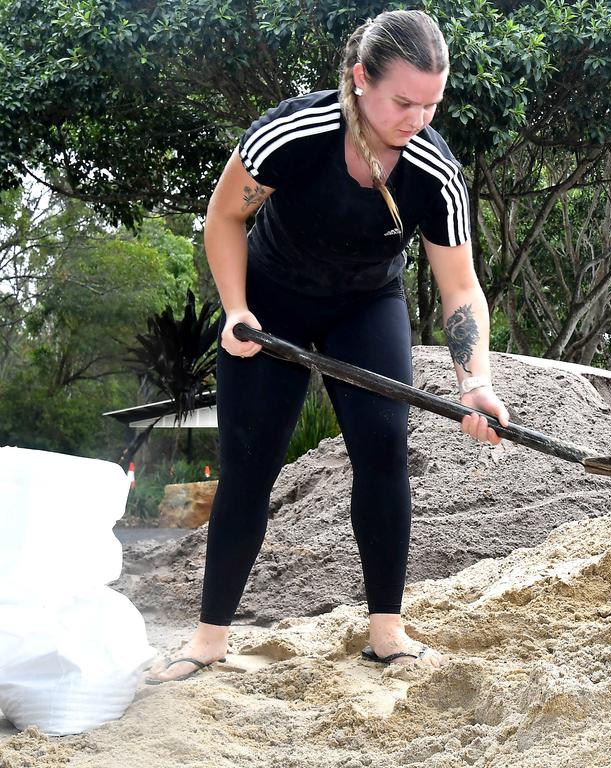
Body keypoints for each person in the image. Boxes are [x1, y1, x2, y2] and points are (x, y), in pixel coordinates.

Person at [146, 10, 509, 683]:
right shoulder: (295, 133)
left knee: (382, 453)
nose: (418, 119)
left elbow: (459, 288)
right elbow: (226, 217)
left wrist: (474, 381)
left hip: (364, 305)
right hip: (270, 301)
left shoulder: (434, 171)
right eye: (403, 102)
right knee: (249, 468)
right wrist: (235, 310)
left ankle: (387, 633)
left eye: (432, 103)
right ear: (360, 80)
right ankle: (207, 640)